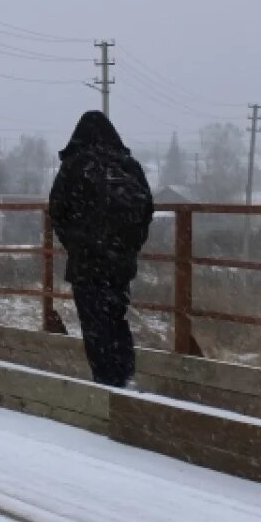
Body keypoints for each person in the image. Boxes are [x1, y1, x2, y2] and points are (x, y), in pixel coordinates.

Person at [49, 110, 154, 388]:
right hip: (120, 263)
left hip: (87, 263)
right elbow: (146, 211)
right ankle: (125, 377)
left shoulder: (75, 165)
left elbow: (57, 212)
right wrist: (128, 248)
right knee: (116, 319)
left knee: (94, 326)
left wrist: (77, 244)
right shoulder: (128, 166)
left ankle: (106, 383)